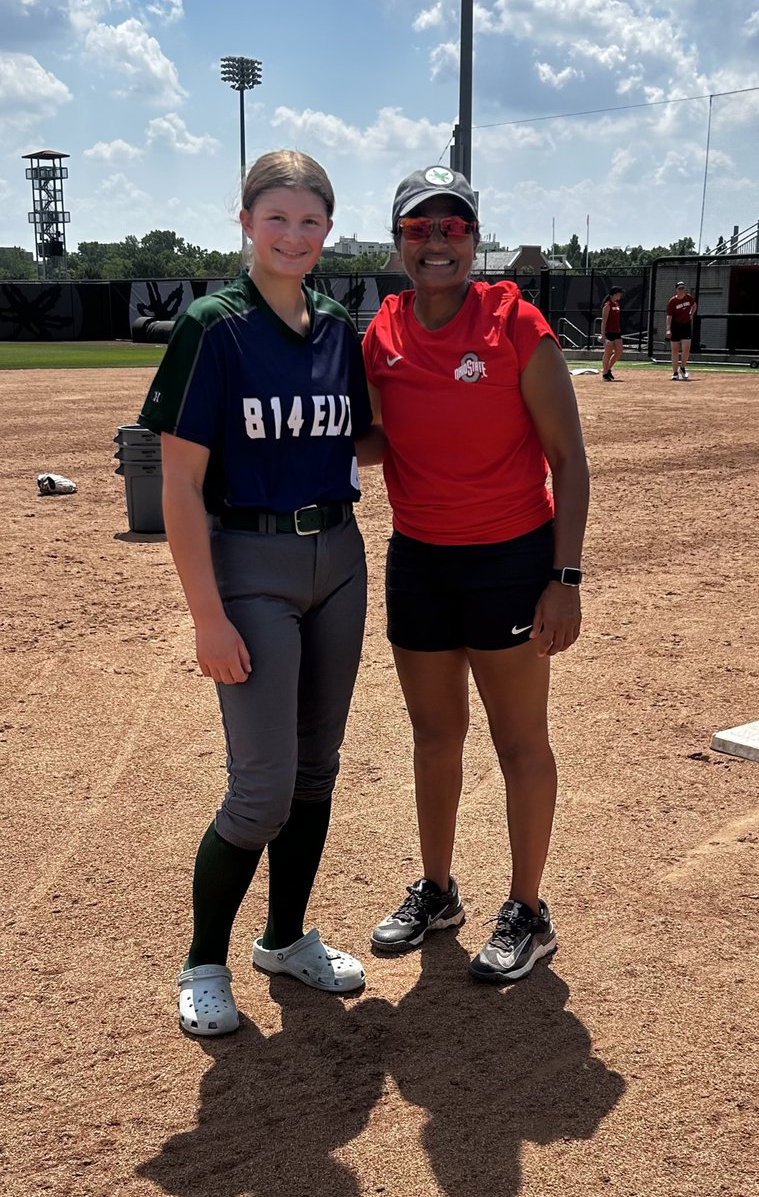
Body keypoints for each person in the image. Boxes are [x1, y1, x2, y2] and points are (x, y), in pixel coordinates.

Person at [137, 150, 382, 1036]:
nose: (293, 235)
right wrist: (206, 615)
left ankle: (285, 939)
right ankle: (204, 960)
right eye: (275, 218)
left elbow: (366, 443)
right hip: (250, 566)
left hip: (339, 560)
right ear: (245, 223)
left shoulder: (336, 328)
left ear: (327, 230)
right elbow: (177, 482)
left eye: (309, 220)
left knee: (317, 771)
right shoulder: (216, 324)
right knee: (261, 790)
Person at [362, 165, 589, 984]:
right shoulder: (378, 333)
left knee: (519, 739)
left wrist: (563, 576)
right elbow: (375, 443)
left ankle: (528, 910)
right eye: (418, 229)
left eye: (452, 228)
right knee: (434, 736)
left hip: (508, 560)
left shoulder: (514, 324)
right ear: (397, 246)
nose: (436, 243)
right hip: (418, 558)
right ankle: (437, 889)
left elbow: (568, 457)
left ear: (474, 239)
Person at [666, 280, 697, 379]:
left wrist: (691, 314)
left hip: (686, 325)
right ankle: (675, 373)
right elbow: (669, 316)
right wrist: (668, 329)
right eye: (679, 288)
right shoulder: (673, 301)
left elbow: (694, 305)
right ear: (676, 290)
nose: (682, 290)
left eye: (683, 288)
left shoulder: (689, 298)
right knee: (675, 349)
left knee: (686, 348)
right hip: (675, 325)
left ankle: (682, 368)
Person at [600, 287, 624, 381]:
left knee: (619, 351)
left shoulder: (617, 304)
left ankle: (608, 369)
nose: (620, 295)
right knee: (608, 352)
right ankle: (605, 374)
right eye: (619, 293)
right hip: (608, 332)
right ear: (613, 294)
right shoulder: (607, 305)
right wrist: (603, 334)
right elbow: (604, 320)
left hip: (616, 331)